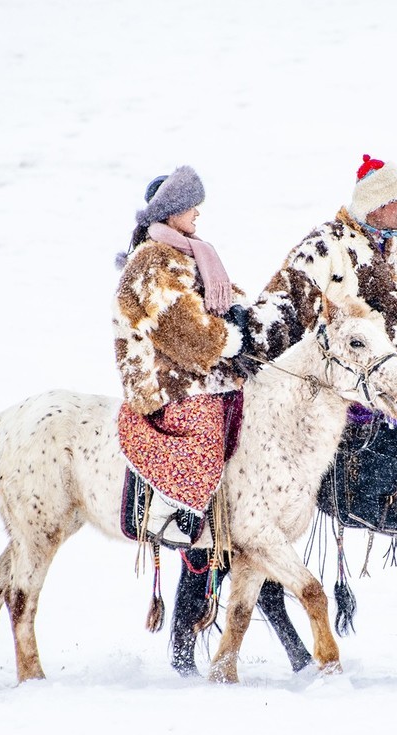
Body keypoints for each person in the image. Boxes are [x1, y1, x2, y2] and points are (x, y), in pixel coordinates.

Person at [249, 154, 397, 526]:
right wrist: (252, 343)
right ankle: (372, 498)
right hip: (357, 371)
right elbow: (288, 297)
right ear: (376, 204)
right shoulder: (326, 244)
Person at [113, 165, 253, 547]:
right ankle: (170, 512)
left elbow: (225, 297)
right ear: (172, 212)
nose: (197, 213)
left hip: (195, 370)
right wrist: (230, 340)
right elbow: (181, 329)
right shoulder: (153, 261)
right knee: (202, 424)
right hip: (163, 377)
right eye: (192, 206)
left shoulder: (194, 254)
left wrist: (246, 318)